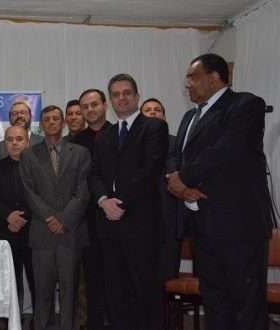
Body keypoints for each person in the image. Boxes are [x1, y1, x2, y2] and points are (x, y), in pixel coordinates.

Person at [167, 53, 272, 330]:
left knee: (246, 303)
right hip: (201, 224)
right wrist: (180, 185)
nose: (187, 83)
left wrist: (183, 178)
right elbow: (178, 157)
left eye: (192, 77)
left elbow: (226, 150)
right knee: (215, 301)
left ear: (213, 78)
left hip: (238, 225)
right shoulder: (191, 115)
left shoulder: (245, 105)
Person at [89, 74, 168, 330]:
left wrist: (119, 203)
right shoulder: (106, 135)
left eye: (126, 92)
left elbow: (150, 169)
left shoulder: (153, 127)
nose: (121, 98)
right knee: (116, 293)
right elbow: (94, 174)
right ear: (110, 100)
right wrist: (103, 201)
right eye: (115, 94)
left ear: (136, 96)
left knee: (145, 290)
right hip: (109, 226)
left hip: (140, 222)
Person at [19, 105, 90, 330]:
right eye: (47, 119)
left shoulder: (80, 153)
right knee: (43, 293)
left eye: (56, 119)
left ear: (63, 123)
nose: (51, 122)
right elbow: (29, 192)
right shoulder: (28, 155)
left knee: (70, 292)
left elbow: (83, 191)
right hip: (43, 233)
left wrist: (64, 220)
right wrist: (51, 218)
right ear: (41, 125)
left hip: (70, 232)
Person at [71, 89, 113, 330]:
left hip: (117, 215)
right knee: (92, 277)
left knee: (117, 277)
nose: (90, 110)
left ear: (105, 105)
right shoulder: (76, 142)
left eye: (94, 105)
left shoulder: (119, 133)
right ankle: (95, 323)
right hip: (86, 219)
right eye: (85, 107)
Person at [140, 97, 183, 328]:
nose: (153, 113)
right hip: (139, 227)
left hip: (167, 225)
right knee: (142, 282)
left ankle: (171, 324)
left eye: (157, 110)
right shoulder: (132, 146)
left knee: (168, 280)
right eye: (147, 110)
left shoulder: (176, 143)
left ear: (164, 117)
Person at [0, 125, 37, 330]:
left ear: (27, 141)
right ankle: (12, 319)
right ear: (5, 143)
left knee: (37, 279)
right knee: (11, 279)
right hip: (6, 231)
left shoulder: (39, 166)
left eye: (19, 139)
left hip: (34, 230)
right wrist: (9, 216)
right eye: (10, 139)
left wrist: (22, 217)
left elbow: (43, 197)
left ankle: (40, 317)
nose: (15, 143)